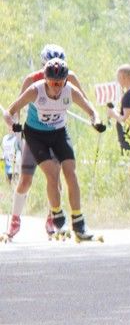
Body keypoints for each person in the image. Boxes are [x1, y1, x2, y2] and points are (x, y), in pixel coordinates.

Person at [3, 58, 107, 241]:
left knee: (70, 172)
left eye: (60, 82)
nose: (57, 87)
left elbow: (92, 111)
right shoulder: (35, 90)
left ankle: (79, 221)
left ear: (66, 80)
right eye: (53, 83)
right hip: (36, 135)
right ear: (45, 79)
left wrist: (96, 121)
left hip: (59, 133)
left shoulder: (70, 91)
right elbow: (9, 111)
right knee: (52, 173)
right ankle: (58, 217)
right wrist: (14, 125)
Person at [107, 64, 130, 154]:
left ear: (123, 77)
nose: (118, 81)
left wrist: (113, 114)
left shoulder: (129, 95)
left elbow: (128, 122)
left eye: (118, 78)